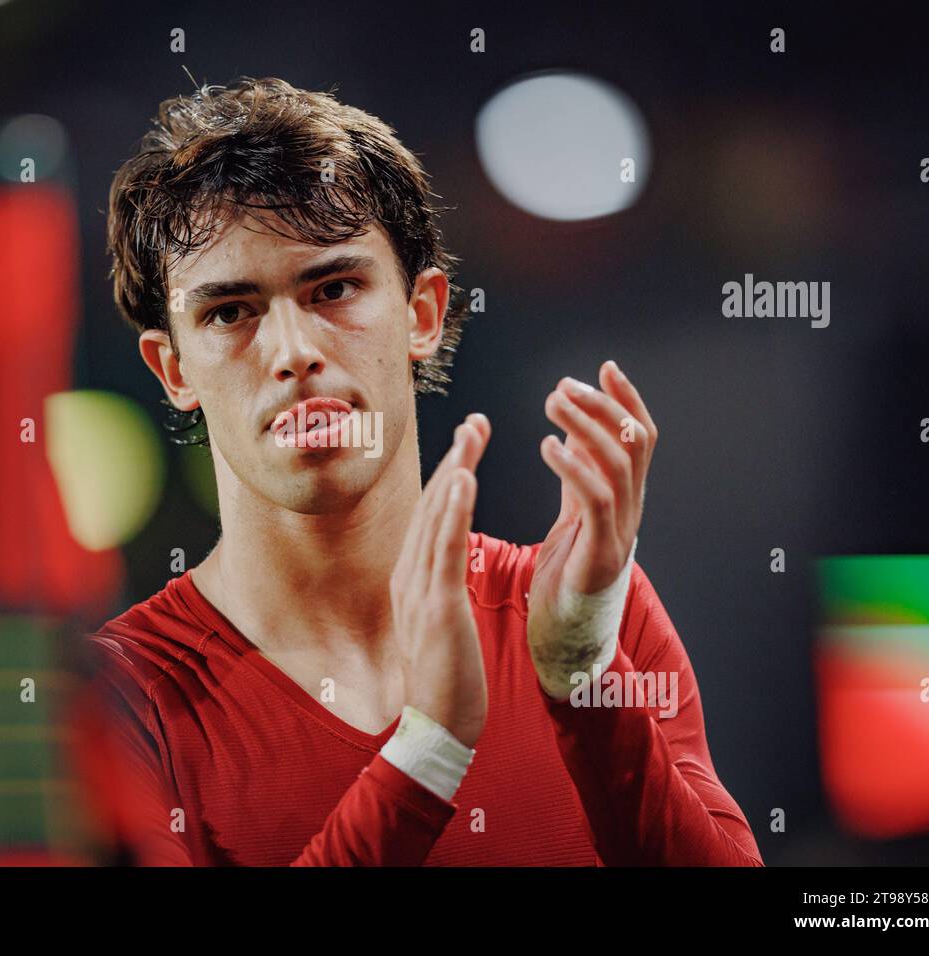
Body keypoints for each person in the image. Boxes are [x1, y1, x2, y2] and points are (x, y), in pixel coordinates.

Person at [91, 76, 762, 866]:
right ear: (173, 370)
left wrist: (581, 682)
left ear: (424, 314)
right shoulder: (118, 702)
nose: (292, 353)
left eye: (334, 287)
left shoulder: (585, 614)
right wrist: (431, 750)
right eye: (229, 312)